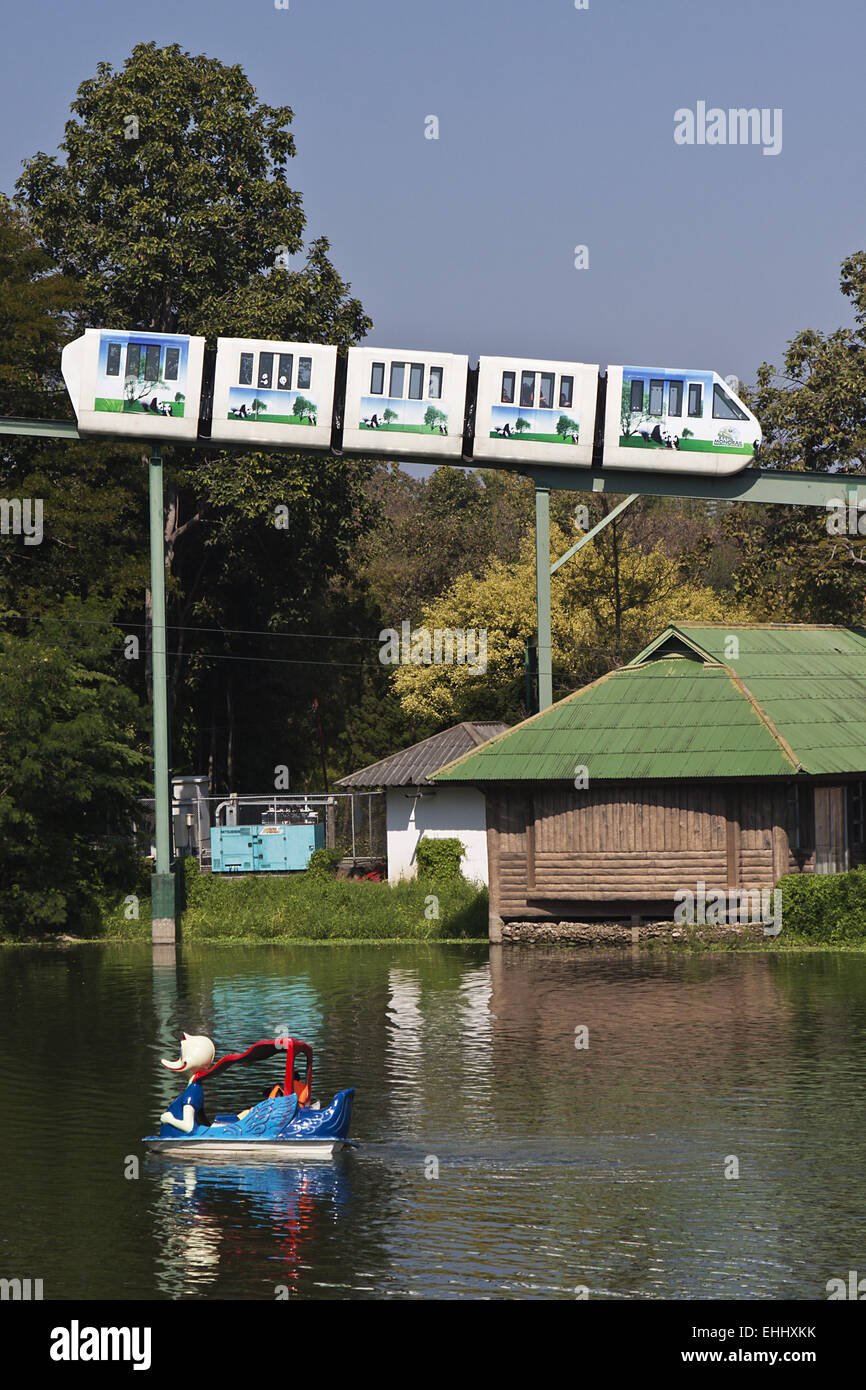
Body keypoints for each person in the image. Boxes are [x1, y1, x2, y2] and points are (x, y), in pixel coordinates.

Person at [158, 1034, 215, 1137]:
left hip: (176, 1138)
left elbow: (189, 1127)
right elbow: (201, 1120)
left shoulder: (191, 1093)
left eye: (180, 1054)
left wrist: (169, 1119)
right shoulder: (196, 1088)